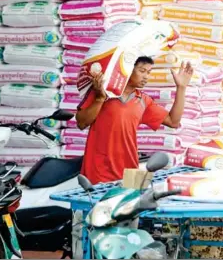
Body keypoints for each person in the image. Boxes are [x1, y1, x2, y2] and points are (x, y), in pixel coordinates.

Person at [75, 56, 194, 184]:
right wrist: (99, 98)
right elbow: (81, 123)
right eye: (142, 71)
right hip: (98, 172)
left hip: (131, 171)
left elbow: (173, 122)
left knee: (134, 203)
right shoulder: (102, 92)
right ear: (126, 69)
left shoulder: (143, 100)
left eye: (148, 72)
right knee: (99, 204)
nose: (146, 77)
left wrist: (181, 87)